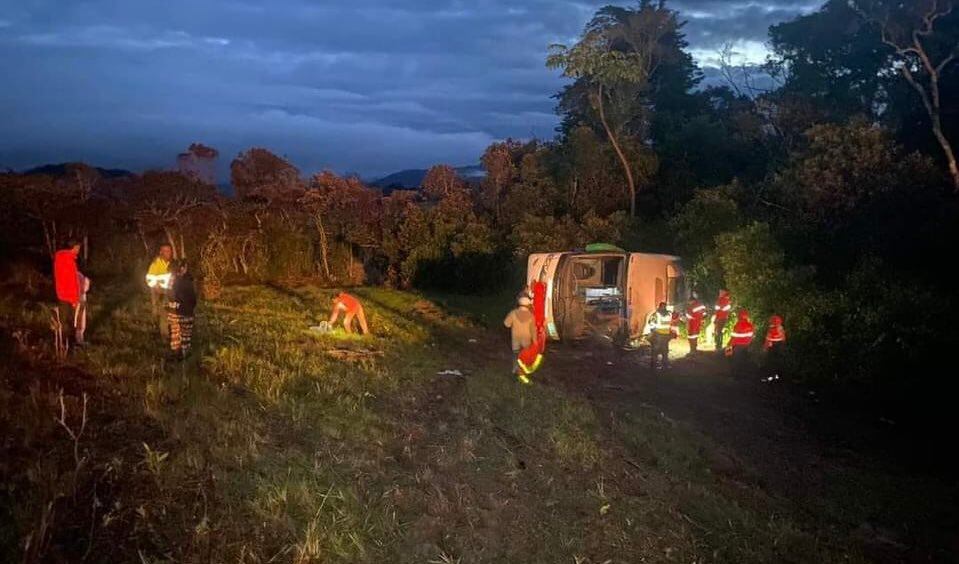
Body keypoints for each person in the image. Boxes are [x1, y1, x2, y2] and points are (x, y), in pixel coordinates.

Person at [53, 240, 90, 347]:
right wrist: (75, 299)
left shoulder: (60, 257)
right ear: (73, 247)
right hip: (68, 295)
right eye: (77, 247)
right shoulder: (69, 260)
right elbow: (72, 281)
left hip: (61, 293)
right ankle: (67, 344)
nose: (78, 250)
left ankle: (65, 343)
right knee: (68, 321)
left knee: (65, 320)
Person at [166, 260, 197, 360]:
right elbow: (192, 297)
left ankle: (176, 354)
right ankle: (184, 354)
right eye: (185, 267)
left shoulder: (170, 279)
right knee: (185, 334)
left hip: (173, 312)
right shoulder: (188, 280)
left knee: (175, 334)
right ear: (183, 268)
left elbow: (169, 294)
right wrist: (191, 307)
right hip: (185, 312)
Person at [504, 295, 537, 384]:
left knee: (515, 354)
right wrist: (535, 341)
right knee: (524, 358)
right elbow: (533, 330)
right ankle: (523, 373)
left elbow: (506, 324)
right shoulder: (531, 316)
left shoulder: (513, 313)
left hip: (515, 340)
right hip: (526, 341)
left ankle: (515, 370)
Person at [146, 244, 174, 339]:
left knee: (167, 311)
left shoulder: (172, 263)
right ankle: (163, 334)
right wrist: (156, 286)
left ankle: (164, 330)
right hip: (157, 290)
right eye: (165, 251)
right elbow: (149, 279)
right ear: (161, 252)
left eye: (169, 251)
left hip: (168, 291)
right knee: (161, 312)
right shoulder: (155, 263)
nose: (168, 253)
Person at [728, 308, 755, 377]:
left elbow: (733, 337)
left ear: (739, 316)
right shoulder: (750, 325)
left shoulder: (737, 325)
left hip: (738, 346)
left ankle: (735, 375)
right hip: (747, 346)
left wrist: (729, 345)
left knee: (736, 361)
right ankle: (745, 375)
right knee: (745, 360)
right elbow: (752, 337)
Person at [647, 302, 673, 370]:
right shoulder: (669, 314)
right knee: (665, 351)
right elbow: (671, 323)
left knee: (655, 351)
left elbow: (650, 323)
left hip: (658, 334)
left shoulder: (656, 314)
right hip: (666, 335)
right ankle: (665, 365)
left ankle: (653, 365)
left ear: (659, 307)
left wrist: (653, 330)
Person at [763, 315, 787, 381]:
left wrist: (765, 348)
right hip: (780, 347)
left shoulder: (771, 329)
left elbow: (768, 339)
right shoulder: (781, 328)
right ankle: (778, 376)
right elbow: (784, 339)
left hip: (772, 347)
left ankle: (771, 376)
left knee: (771, 361)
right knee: (779, 361)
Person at [713, 289, 732, 354]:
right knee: (719, 332)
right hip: (723, 318)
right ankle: (719, 345)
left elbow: (718, 310)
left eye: (720, 292)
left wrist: (716, 318)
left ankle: (718, 345)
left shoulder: (721, 300)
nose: (719, 293)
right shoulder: (728, 300)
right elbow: (725, 309)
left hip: (720, 318)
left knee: (718, 332)